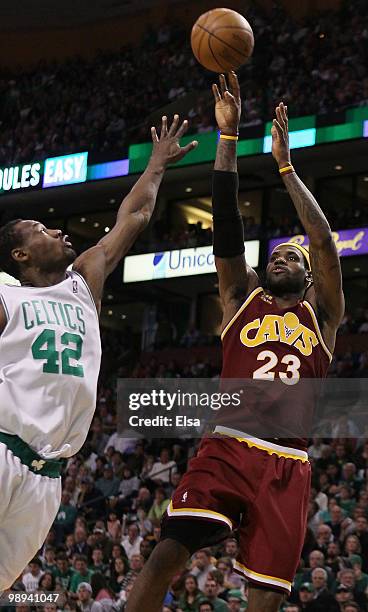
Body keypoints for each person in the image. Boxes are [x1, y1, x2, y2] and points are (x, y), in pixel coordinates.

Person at [126, 73, 344, 612]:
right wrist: (228, 139)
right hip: (228, 443)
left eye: (291, 258)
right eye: (275, 255)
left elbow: (323, 241)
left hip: (287, 462)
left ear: (310, 277)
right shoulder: (240, 297)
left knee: (264, 601)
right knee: (165, 555)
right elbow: (226, 224)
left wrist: (286, 167)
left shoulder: (325, 315)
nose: (280, 258)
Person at [0, 114, 197, 589]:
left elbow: (135, 216)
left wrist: (156, 167)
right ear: (20, 256)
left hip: (48, 479)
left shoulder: (83, 282)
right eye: (41, 230)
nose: (57, 232)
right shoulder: (6, 296)